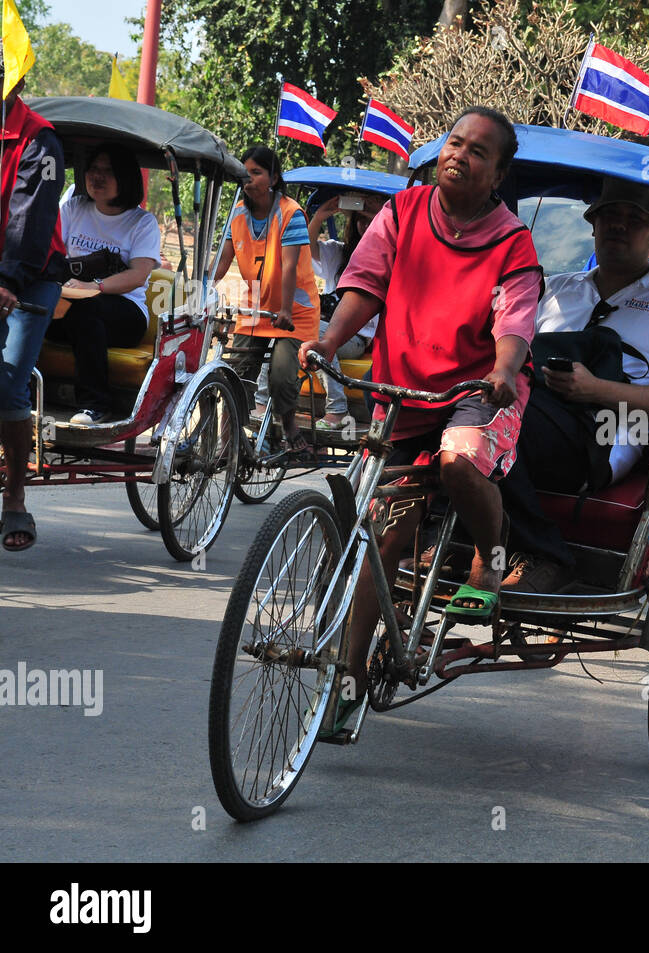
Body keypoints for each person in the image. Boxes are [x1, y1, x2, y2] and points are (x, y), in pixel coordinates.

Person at [297, 106, 541, 733]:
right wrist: (329, 342)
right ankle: (349, 677)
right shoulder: (402, 212)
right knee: (384, 538)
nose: (460, 155)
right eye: (455, 143)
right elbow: (364, 287)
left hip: (477, 389)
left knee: (459, 459)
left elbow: (514, 320)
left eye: (479, 151)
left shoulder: (512, 241)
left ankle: (490, 553)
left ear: (498, 174)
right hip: (402, 389)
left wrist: (505, 370)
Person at [498, 177, 649, 592]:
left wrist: (595, 391)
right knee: (472, 405)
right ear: (593, 226)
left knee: (504, 423)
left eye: (633, 219)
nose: (618, 226)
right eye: (609, 217)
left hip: (609, 433)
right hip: (536, 412)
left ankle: (547, 554)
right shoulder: (556, 289)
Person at [45, 143, 161, 425]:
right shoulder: (73, 208)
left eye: (108, 171)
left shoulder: (142, 222)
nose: (97, 176)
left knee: (86, 310)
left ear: (125, 177)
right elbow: (51, 251)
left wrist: (95, 286)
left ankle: (95, 404)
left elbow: (138, 275)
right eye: (94, 169)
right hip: (68, 304)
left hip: (124, 313)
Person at [213, 146, 318, 455]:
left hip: (293, 312)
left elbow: (289, 266)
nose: (248, 178)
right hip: (255, 308)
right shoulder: (237, 214)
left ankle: (289, 425)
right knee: (234, 372)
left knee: (281, 375)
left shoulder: (290, 213)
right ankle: (228, 439)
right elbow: (221, 263)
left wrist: (285, 310)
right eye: (245, 172)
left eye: (256, 172)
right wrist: (199, 289)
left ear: (273, 178)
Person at [1, 75, 65, 552]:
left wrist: (7, 281)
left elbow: (30, 221)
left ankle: (15, 496)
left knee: (7, 383)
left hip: (30, 271)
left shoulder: (39, 140)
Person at [304, 191, 384, 428]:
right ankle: (267, 403)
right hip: (326, 327)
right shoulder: (340, 253)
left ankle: (337, 409)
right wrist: (319, 216)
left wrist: (380, 216)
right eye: (360, 219)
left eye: (371, 220)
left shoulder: (389, 259)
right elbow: (306, 249)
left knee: (311, 329)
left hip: (356, 338)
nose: (365, 225)